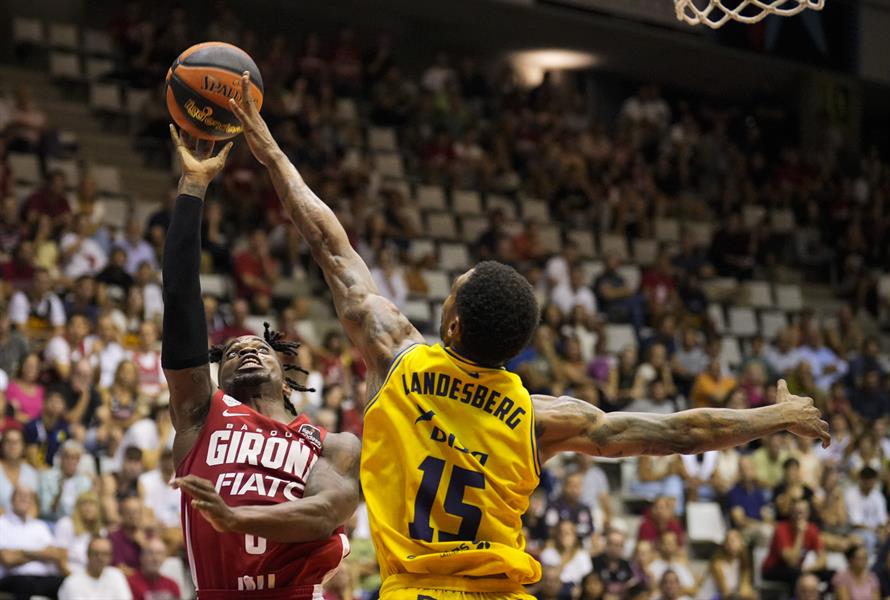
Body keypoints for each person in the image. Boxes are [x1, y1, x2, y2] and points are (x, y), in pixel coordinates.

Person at [229, 73, 830, 600]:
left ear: (453, 323)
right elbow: (676, 432)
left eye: (453, 290)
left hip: (417, 590)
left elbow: (330, 244)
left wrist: (267, 146)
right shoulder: (539, 418)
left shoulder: (397, 359)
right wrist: (771, 417)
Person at [161, 124, 360, 598]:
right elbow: (180, 297)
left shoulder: (333, 445)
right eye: (230, 351)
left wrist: (235, 518)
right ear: (218, 377)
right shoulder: (200, 416)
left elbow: (325, 514)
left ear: (286, 377)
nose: (246, 348)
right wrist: (193, 186)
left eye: (259, 347)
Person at [0, 485, 67, 600]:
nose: (24, 499)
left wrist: (22, 552)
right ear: (12, 499)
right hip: (14, 578)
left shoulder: (40, 526)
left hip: (43, 578)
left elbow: (55, 554)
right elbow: (8, 559)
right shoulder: (2, 523)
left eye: (28, 496)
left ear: (32, 501)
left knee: (67, 583)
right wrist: (41, 554)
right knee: (23, 583)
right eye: (20, 495)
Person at [762, 499, 827, 590]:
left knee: (831, 575)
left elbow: (823, 560)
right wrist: (800, 534)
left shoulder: (812, 529)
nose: (798, 516)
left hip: (800, 569)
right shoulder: (781, 529)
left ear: (808, 514)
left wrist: (807, 570)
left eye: (802, 513)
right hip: (773, 569)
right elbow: (791, 562)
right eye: (796, 512)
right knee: (796, 574)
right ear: (790, 513)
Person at [57, 536, 131, 600]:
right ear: (87, 554)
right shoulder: (72, 582)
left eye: (105, 554)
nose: (100, 558)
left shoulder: (116, 575)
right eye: (95, 553)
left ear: (111, 556)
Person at [37, 439, 93, 521]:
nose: (71, 461)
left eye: (75, 458)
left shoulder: (85, 482)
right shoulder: (47, 477)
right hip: (53, 523)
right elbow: (45, 511)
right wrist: (59, 493)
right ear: (61, 458)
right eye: (68, 457)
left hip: (77, 524)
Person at [0, 428, 39, 513]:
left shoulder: (31, 473)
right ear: (2, 445)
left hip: (25, 523)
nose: (12, 445)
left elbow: (34, 507)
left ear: (23, 446)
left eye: (16, 442)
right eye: (8, 441)